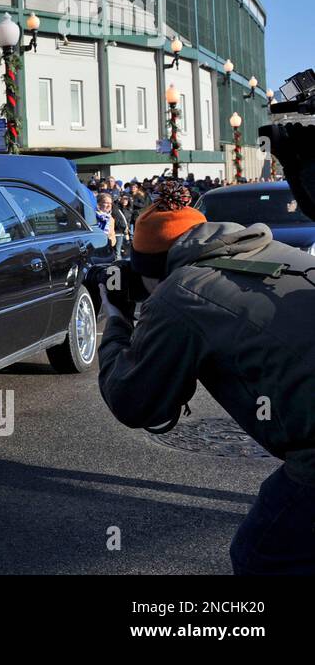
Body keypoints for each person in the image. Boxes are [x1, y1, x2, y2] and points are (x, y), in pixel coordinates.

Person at [97, 179, 315, 574]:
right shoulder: (279, 253)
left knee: (262, 555)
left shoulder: (180, 292)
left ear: (152, 269)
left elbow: (134, 401)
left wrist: (116, 319)